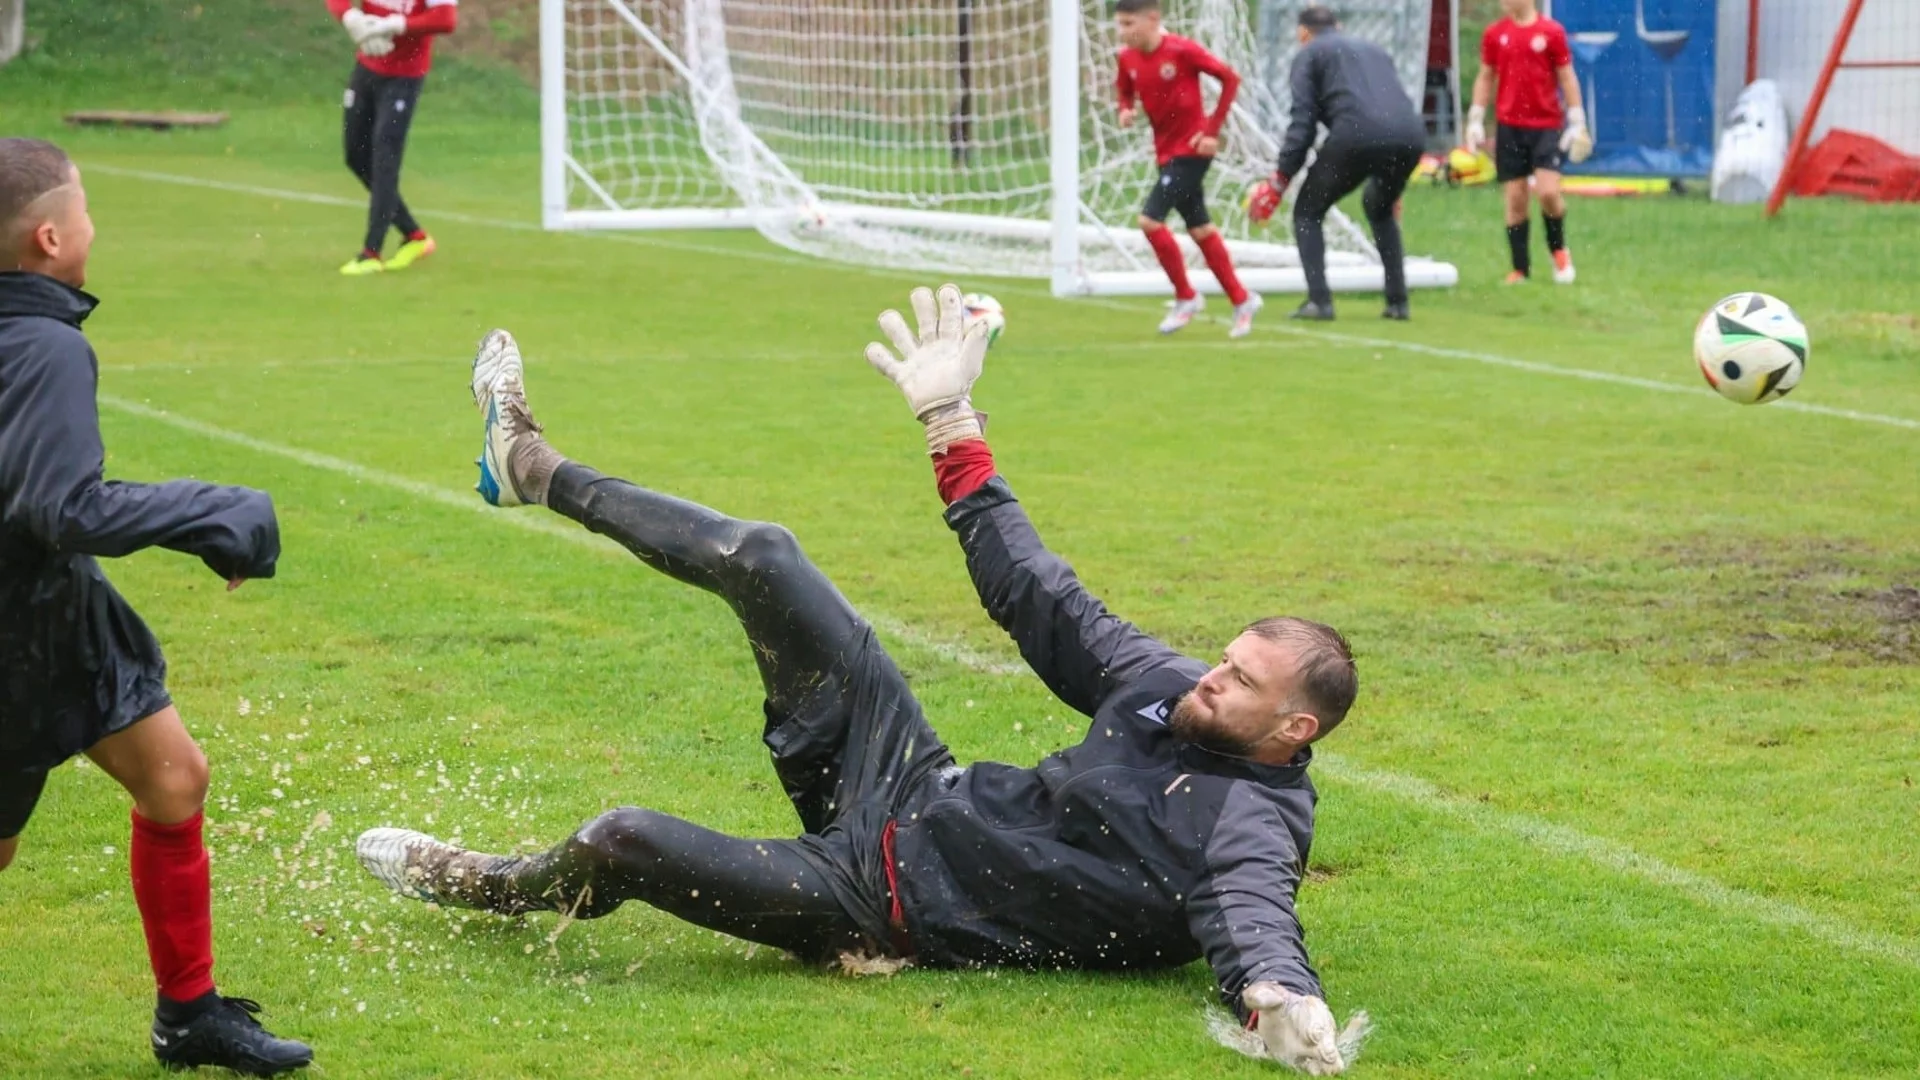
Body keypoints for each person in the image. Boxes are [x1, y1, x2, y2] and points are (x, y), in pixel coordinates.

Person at [355, 285, 1368, 1075]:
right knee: (765, 554)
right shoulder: (1167, 687)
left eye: (1240, 683)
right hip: (907, 780)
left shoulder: (1247, 824)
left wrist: (1280, 1001)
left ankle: (486, 883)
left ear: (1296, 731)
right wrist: (951, 419)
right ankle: (528, 462)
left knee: (622, 840)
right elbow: (1041, 594)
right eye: (1224, 659)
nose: (1209, 680)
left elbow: (1251, 916)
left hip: (874, 902)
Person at [0, 139, 311, 1076]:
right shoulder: (45, 345)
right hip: (17, 629)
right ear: (52, 237)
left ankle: (190, 1015)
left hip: (58, 615)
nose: (97, 227)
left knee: (174, 777)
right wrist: (219, 510)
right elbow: (60, 507)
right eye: (88, 211)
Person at [1245, 6, 1427, 322]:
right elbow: (1392, 101)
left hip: (1357, 134)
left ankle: (1320, 302)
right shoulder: (1373, 49)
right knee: (1379, 206)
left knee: (1307, 210)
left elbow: (1302, 125)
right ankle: (1398, 302)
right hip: (1410, 134)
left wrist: (1279, 182)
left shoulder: (1309, 54)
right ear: (1338, 26)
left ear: (1302, 33)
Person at [1113, 0, 1263, 338]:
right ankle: (1241, 299)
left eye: (1128, 24)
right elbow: (1124, 89)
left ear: (1153, 19)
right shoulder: (1126, 58)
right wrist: (1125, 109)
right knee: (1200, 229)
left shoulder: (1182, 50)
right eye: (1119, 25)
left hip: (1193, 149)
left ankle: (1186, 296)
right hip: (1166, 154)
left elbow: (1230, 78)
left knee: (1150, 220)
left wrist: (1211, 131)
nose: (1123, 33)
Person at [327, 0, 459, 277]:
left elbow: (446, 19)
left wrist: (399, 25)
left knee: (384, 156)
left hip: (404, 78)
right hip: (367, 67)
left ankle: (371, 253)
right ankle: (414, 235)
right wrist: (350, 17)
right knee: (356, 156)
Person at [1464, 0, 1590, 284]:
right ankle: (1520, 270)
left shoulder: (1551, 32)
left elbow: (1566, 76)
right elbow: (1486, 76)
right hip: (1510, 127)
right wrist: (1475, 117)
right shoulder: (1495, 34)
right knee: (1516, 197)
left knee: (1547, 192)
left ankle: (1558, 250)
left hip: (1546, 126)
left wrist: (1577, 118)